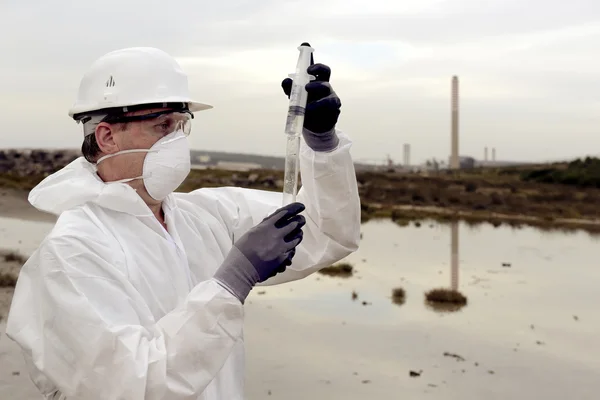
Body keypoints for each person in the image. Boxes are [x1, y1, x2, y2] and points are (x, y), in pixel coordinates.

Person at [5, 46, 360, 400]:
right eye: (162, 126)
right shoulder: (71, 253)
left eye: (181, 125)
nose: (177, 141)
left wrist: (322, 143)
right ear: (107, 136)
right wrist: (231, 283)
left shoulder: (207, 215)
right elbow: (131, 384)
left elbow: (325, 232)